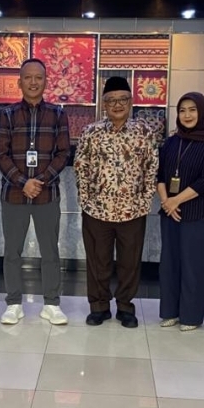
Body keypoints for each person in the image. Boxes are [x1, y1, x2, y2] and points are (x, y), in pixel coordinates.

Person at [74, 76, 161, 328]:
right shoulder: (91, 132)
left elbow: (152, 167)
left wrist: (144, 200)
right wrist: (86, 199)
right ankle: (99, 307)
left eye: (122, 99)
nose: (117, 105)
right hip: (96, 211)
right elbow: (80, 166)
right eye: (111, 100)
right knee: (97, 262)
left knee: (129, 263)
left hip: (132, 211)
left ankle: (125, 307)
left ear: (131, 101)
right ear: (104, 104)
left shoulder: (144, 132)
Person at [0, 58, 71, 326]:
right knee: (12, 251)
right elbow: (0, 154)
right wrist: (22, 182)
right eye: (28, 77)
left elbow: (63, 153)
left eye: (39, 77)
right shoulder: (6, 114)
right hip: (13, 195)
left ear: (46, 81)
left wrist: (40, 181)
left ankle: (51, 303)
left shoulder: (58, 114)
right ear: (20, 82)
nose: (33, 82)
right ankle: (14, 303)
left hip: (47, 195)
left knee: (50, 251)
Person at [158, 93, 204, 331]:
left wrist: (175, 200)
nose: (187, 115)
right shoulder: (171, 142)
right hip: (170, 213)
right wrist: (166, 202)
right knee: (169, 263)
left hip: (197, 214)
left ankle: (191, 316)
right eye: (183, 110)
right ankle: (170, 312)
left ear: (202, 112)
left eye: (192, 110)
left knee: (193, 265)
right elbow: (160, 175)